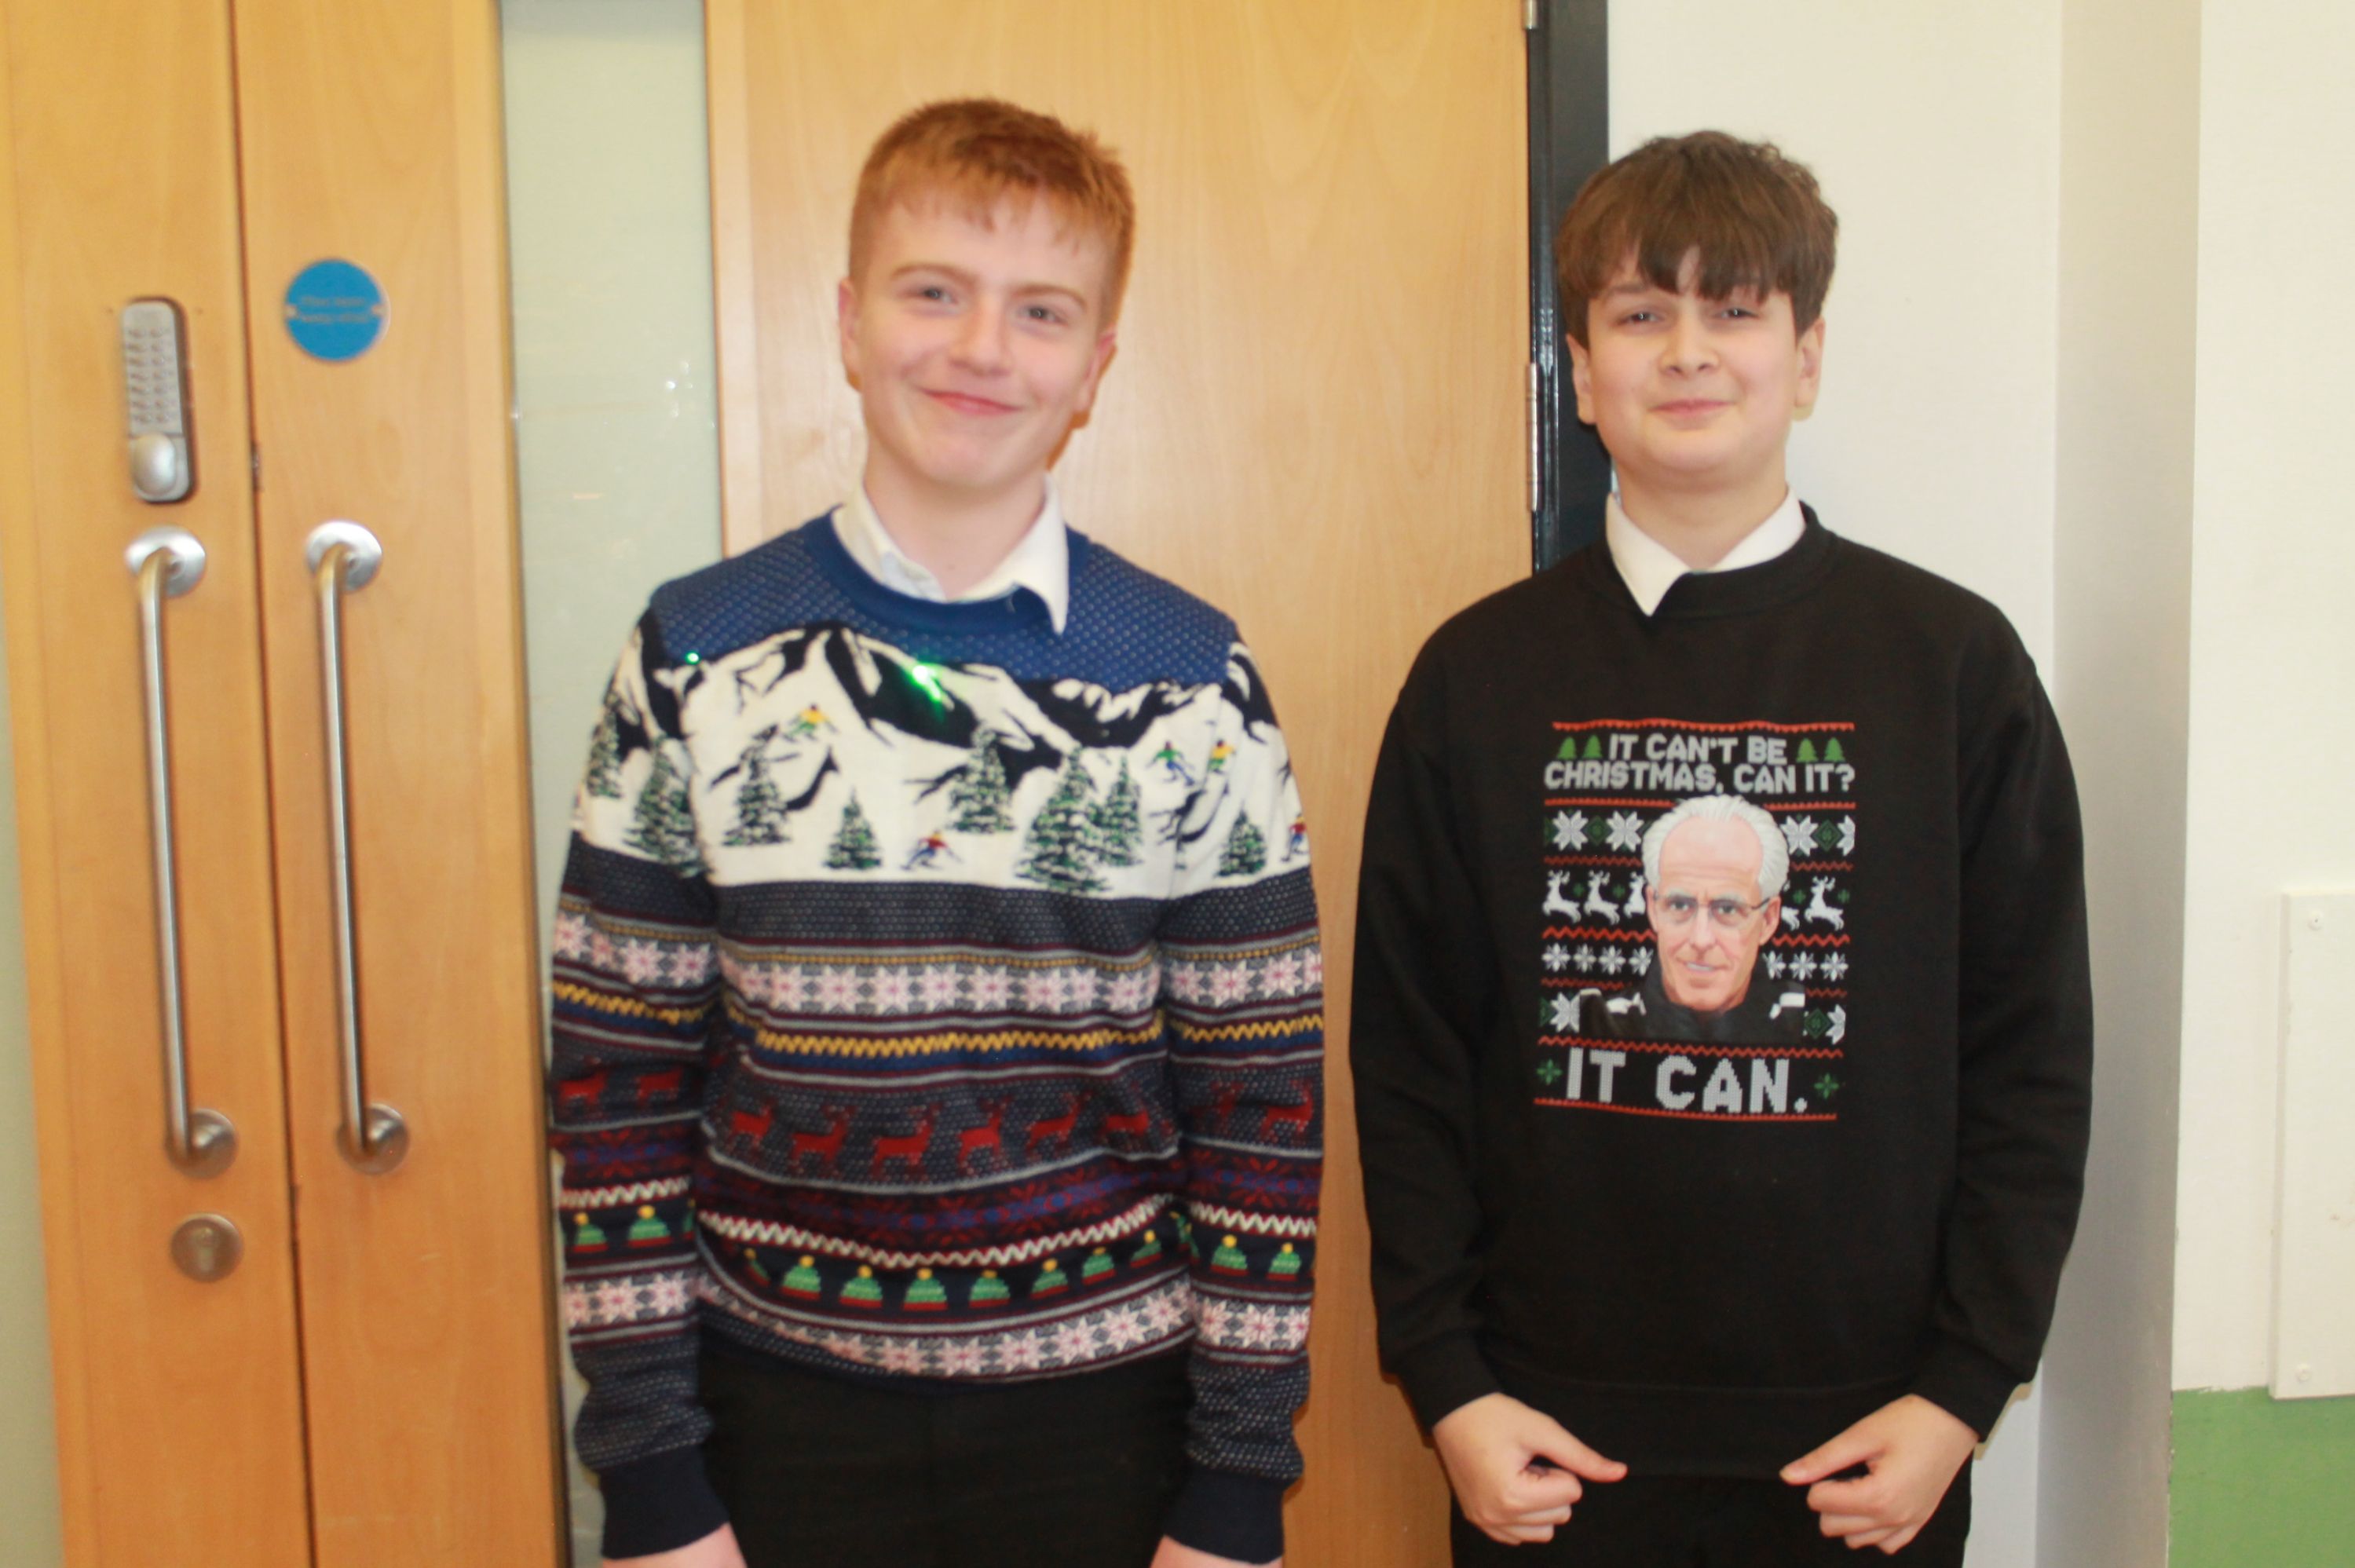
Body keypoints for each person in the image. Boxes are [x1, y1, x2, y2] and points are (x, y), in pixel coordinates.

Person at [549, 99, 1321, 1568]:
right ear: (848, 323)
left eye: (1039, 311)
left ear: (1093, 366)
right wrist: (649, 1473)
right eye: (931, 292)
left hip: (1103, 1427)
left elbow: (1259, 1110)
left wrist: (1234, 1485)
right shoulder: (694, 653)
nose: (980, 349)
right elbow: (613, 1094)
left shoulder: (1187, 677)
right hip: (768, 1418)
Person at [1351, 131, 2091, 1565]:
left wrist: (1959, 1386)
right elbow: (1407, 1056)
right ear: (1577, 367)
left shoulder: (1948, 667)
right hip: (1543, 1444)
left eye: (1733, 309)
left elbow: (2029, 1054)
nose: (1686, 352)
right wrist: (1445, 1379)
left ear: (1804, 357)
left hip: (1863, 1449)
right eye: (1639, 313)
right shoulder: (1474, 677)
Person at [1570, 794, 1807, 1044]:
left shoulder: (1811, 1020)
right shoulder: (1591, 1021)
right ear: (1653, 909)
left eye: (1727, 909)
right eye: (1680, 905)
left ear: (1768, 920)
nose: (1701, 939)